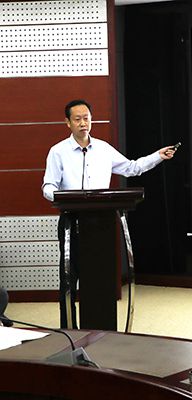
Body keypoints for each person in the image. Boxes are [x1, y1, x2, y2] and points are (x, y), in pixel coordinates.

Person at [42, 99, 178, 328]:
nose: (83, 123)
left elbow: (132, 168)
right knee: (69, 280)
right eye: (77, 119)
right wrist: (60, 197)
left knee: (98, 278)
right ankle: (68, 330)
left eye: (86, 118)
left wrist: (157, 156)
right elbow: (48, 185)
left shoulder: (104, 149)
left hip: (100, 223)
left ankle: (100, 330)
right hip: (71, 222)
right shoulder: (58, 152)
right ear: (68, 123)